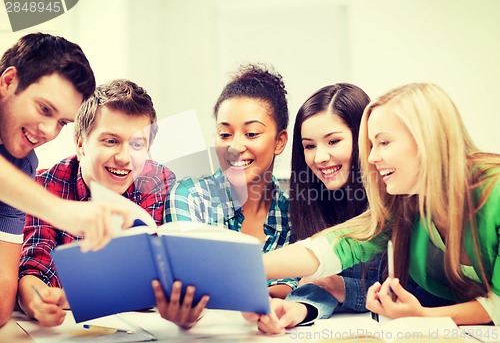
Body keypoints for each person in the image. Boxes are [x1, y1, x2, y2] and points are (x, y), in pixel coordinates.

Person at [262, 83, 500, 325]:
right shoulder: (408, 203)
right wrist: (247, 267)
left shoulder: (495, 194)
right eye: (371, 145)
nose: (372, 158)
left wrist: (423, 316)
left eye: (383, 142)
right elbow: (337, 246)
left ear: (426, 140)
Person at [17, 79, 176, 327]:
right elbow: (35, 270)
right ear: (81, 143)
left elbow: (152, 282)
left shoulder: (157, 181)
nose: (124, 158)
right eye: (110, 141)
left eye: (136, 144)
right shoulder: (45, 185)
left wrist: (72, 295)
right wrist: (38, 300)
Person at [0, 33, 132, 327]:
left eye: (61, 122)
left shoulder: (21, 167)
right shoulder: (34, 188)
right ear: (8, 82)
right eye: (44, 109)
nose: (47, 130)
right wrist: (62, 211)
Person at [157, 64, 294, 329]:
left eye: (251, 133)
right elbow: (187, 286)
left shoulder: (294, 215)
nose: (234, 146)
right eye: (225, 134)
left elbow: (288, 288)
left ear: (279, 141)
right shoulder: (189, 196)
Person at [245, 84, 384, 333]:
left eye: (333, 141)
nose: (319, 157)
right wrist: (298, 308)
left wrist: (342, 287)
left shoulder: (392, 198)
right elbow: (317, 279)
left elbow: (396, 287)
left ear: (364, 138)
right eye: (309, 146)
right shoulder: (311, 202)